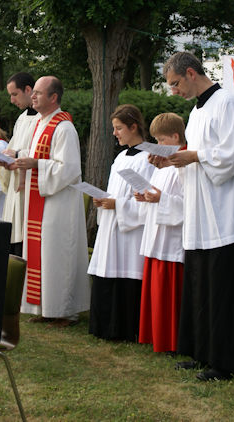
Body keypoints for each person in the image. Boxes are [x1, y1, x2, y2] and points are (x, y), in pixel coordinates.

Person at [156, 51, 234, 381]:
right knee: (202, 287)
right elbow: (198, 159)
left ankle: (229, 362)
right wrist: (171, 161)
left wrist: (195, 156)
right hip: (204, 214)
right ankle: (204, 352)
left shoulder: (227, 102)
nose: (174, 91)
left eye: (175, 84)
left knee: (223, 290)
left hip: (226, 215)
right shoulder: (196, 112)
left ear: (191, 73)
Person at [10, 76, 90, 327]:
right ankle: (45, 306)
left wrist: (35, 164)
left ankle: (65, 310)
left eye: (38, 93)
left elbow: (69, 169)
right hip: (40, 198)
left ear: (53, 97)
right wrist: (20, 158)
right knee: (42, 254)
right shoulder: (41, 123)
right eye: (32, 93)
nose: (32, 96)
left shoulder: (64, 127)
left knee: (57, 255)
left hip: (58, 202)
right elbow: (35, 155)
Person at [86, 104, 153, 341]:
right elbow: (115, 190)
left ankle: (124, 328)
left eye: (119, 128)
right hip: (112, 225)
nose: (115, 133)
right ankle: (103, 325)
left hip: (130, 230)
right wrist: (103, 200)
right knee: (106, 272)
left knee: (126, 274)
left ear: (134, 127)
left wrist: (119, 205)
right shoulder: (121, 157)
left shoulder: (148, 158)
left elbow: (148, 199)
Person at [136, 113, 186, 353]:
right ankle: (154, 334)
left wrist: (161, 199)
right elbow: (158, 192)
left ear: (176, 137)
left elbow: (188, 203)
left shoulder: (183, 164)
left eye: (162, 140)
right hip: (157, 234)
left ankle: (171, 339)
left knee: (170, 290)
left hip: (173, 238)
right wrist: (146, 197)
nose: (158, 146)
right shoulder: (164, 165)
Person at [0, 72, 38, 257]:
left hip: (31, 185)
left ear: (28, 90)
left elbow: (40, 153)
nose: (12, 100)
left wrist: (16, 156)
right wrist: (4, 160)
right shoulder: (22, 118)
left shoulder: (43, 119)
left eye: (14, 94)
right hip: (16, 184)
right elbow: (13, 148)